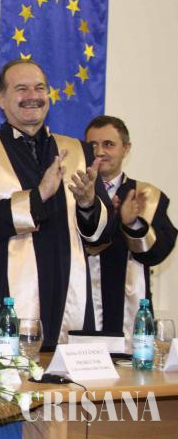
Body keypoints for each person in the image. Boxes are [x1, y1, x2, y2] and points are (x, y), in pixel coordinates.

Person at [0, 59, 112, 347]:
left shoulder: (77, 151)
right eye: (21, 89)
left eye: (40, 88)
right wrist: (38, 196)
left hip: (67, 291)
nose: (33, 96)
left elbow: (102, 235)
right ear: (0, 99)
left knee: (66, 374)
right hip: (1, 295)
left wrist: (89, 204)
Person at [84, 115, 176, 345]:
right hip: (80, 305)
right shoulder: (73, 191)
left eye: (108, 144)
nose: (99, 152)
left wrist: (132, 224)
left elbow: (158, 253)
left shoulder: (146, 196)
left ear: (126, 149)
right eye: (92, 145)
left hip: (127, 308)